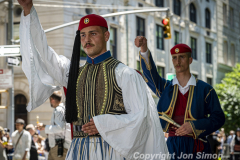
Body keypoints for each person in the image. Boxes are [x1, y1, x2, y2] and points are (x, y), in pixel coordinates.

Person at [17, 0, 169, 159]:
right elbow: (44, 54)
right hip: (78, 151)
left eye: (93, 33)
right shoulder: (73, 74)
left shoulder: (125, 74)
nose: (87, 39)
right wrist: (29, 10)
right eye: (83, 35)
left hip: (112, 151)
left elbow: (141, 118)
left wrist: (104, 124)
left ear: (106, 35)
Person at [135, 37, 225, 159]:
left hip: (197, 146)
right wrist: (144, 49)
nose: (178, 61)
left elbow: (219, 118)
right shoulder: (166, 88)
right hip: (172, 146)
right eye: (174, 58)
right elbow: (150, 76)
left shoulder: (205, 89)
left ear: (190, 60)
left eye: (182, 57)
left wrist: (194, 126)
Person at [36, 91, 71, 160]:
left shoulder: (58, 109)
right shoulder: (62, 109)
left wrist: (45, 127)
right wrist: (45, 128)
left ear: (52, 99)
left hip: (59, 147)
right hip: (57, 147)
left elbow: (60, 128)